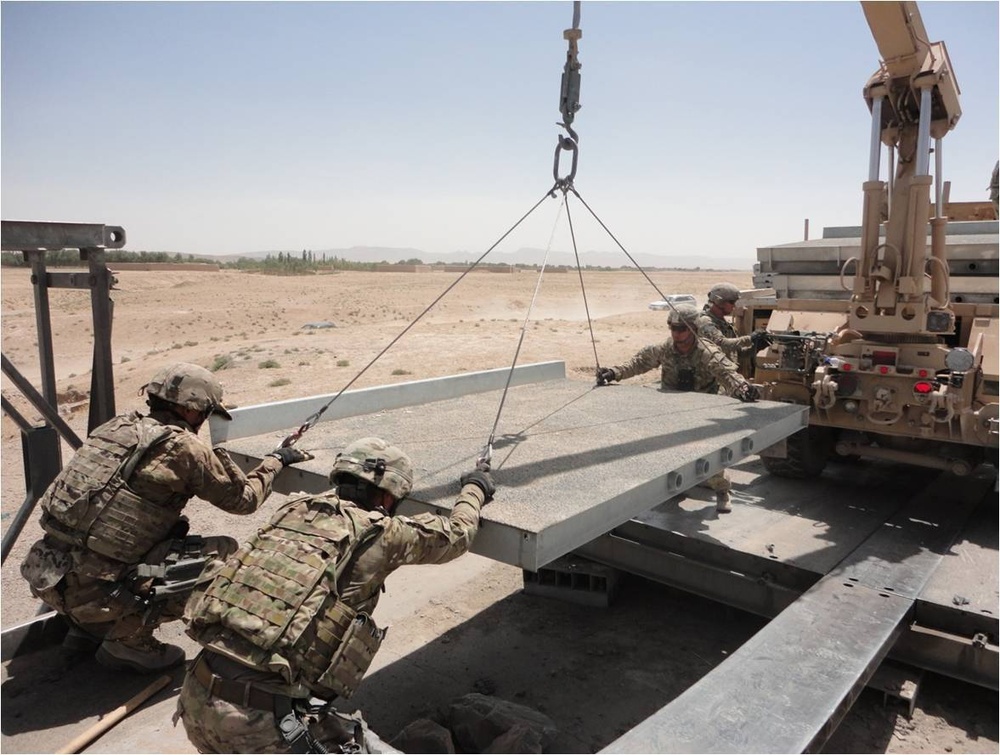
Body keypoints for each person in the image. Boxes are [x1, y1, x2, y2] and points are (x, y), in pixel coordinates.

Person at [176, 436, 495, 754]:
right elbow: (458, 534)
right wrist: (475, 487)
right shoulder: (381, 534)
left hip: (194, 698)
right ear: (386, 497)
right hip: (256, 725)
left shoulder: (294, 509)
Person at [19, 362, 311, 673]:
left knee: (135, 549)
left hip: (49, 576)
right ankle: (127, 640)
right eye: (205, 413)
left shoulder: (115, 428)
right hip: (100, 590)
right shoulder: (182, 448)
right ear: (191, 410)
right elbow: (244, 501)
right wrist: (276, 461)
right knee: (223, 560)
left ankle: (87, 629)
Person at [596, 303, 758, 513]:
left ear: (693, 328)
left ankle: (722, 491)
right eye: (672, 328)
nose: (676, 333)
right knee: (668, 454)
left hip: (702, 412)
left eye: (681, 328)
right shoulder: (665, 349)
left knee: (710, 457)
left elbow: (727, 374)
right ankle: (676, 488)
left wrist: (743, 388)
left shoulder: (707, 351)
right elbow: (638, 363)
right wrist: (613, 373)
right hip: (672, 411)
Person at [697, 282, 771, 357]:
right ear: (719, 301)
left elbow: (737, 353)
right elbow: (722, 344)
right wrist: (750, 338)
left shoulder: (722, 323)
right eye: (732, 302)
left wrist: (756, 348)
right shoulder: (705, 321)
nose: (734, 306)